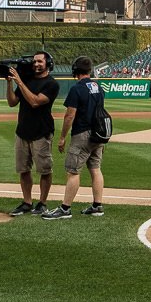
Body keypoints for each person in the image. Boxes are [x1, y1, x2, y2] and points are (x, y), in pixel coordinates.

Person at [48, 56, 106, 219]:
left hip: (82, 134)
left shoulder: (77, 88)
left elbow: (69, 115)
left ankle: (65, 209)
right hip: (98, 134)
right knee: (95, 169)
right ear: (90, 70)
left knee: (73, 171)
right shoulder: (98, 87)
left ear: (75, 71)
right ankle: (97, 205)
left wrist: (62, 138)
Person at [6, 52, 60, 217]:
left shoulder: (51, 84)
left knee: (44, 170)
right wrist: (9, 83)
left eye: (40, 61)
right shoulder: (27, 79)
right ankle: (27, 202)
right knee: (23, 170)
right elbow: (12, 102)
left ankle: (42, 203)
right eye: (34, 61)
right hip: (22, 131)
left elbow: (35, 101)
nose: (36, 64)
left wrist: (20, 81)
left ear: (48, 63)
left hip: (41, 132)